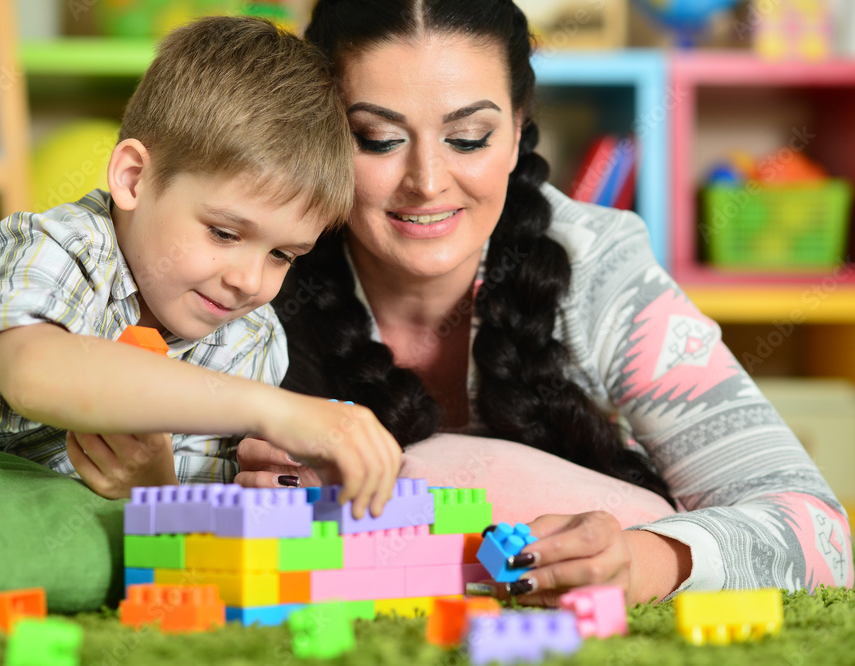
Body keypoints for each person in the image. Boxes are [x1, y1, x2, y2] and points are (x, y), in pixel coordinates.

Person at [235, 0, 854, 604]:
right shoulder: (249, 264)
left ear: (516, 128)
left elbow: (822, 536)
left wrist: (642, 560)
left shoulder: (599, 268)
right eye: (378, 139)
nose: (426, 181)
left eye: (469, 138)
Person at [0, 17, 400, 518]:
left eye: (282, 255)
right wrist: (273, 410)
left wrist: (155, 483)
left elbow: (181, 525)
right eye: (224, 233)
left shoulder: (249, 342)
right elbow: (34, 373)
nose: (249, 281)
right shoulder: (58, 245)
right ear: (133, 178)